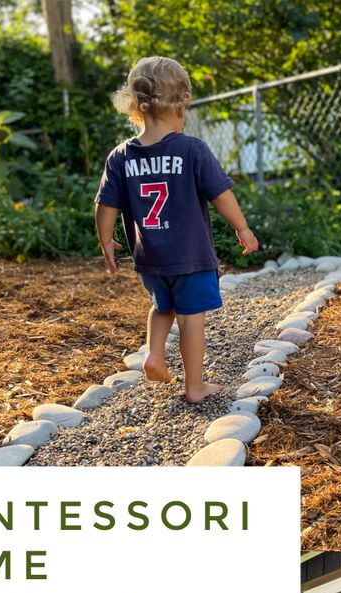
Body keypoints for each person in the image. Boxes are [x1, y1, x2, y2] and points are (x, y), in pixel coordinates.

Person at [94, 55, 259, 404]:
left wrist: (106, 241)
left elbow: (105, 204)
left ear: (135, 109)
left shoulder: (120, 156)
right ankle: (194, 386)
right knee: (191, 319)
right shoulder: (191, 150)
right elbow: (221, 196)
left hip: (150, 257)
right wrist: (242, 228)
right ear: (181, 107)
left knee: (162, 305)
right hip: (191, 256)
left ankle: (154, 354)